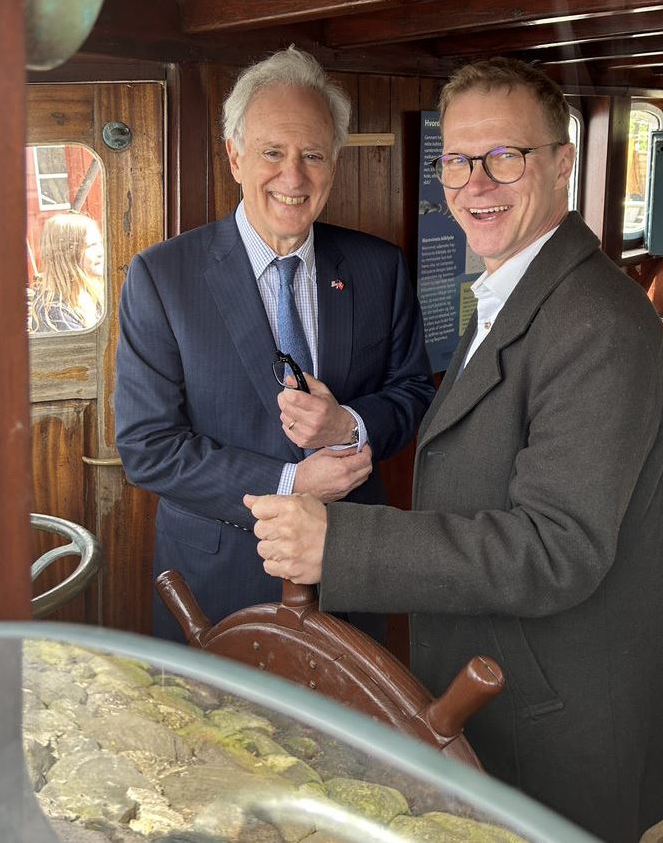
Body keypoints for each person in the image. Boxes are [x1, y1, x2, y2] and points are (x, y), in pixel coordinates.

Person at [245, 57, 663, 843]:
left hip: (559, 718)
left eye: (504, 157)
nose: (474, 183)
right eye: (456, 159)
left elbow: (558, 547)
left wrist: (339, 542)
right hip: (506, 693)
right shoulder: (518, 289)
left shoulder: (599, 323)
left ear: (561, 163)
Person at [115, 47, 434, 642]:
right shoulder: (162, 277)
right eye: (272, 153)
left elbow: (414, 390)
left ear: (334, 162)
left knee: (347, 733)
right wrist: (290, 484)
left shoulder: (379, 268)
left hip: (349, 570)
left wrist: (348, 425)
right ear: (235, 157)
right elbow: (147, 447)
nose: (294, 177)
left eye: (313, 155)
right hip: (216, 580)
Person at [29, 211, 105, 333]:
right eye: (91, 246)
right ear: (67, 256)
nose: (101, 252)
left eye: (100, 243)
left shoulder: (95, 293)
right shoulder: (54, 313)